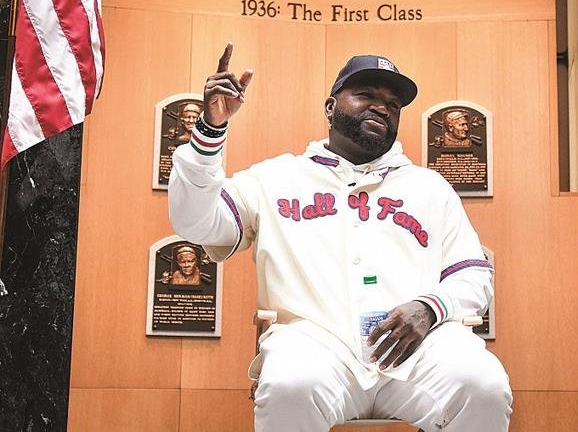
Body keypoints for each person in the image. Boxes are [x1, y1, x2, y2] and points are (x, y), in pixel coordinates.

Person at [169, 43, 512, 431]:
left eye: (393, 104)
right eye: (366, 95)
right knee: (290, 385)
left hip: (417, 349)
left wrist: (429, 308)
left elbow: (472, 274)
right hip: (317, 344)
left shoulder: (429, 187)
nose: (381, 107)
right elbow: (194, 222)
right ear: (331, 107)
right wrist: (210, 131)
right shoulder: (275, 178)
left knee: (483, 385)